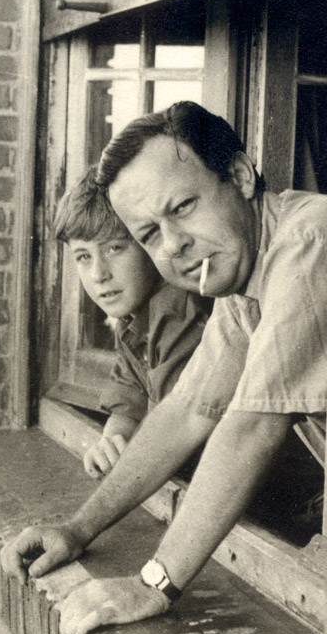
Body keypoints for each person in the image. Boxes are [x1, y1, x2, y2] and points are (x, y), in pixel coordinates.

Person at [2, 101, 327, 634]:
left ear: (240, 175)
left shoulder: (305, 240)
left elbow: (252, 426)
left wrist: (155, 584)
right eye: (150, 234)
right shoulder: (243, 276)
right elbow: (186, 410)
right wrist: (78, 529)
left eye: (183, 207)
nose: (174, 243)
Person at [52, 166, 213, 478]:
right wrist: (112, 442)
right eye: (83, 256)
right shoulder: (133, 314)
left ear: (149, 242)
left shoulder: (176, 308)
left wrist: (126, 452)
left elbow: (174, 431)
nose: (99, 274)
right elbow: (129, 401)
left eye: (114, 248)